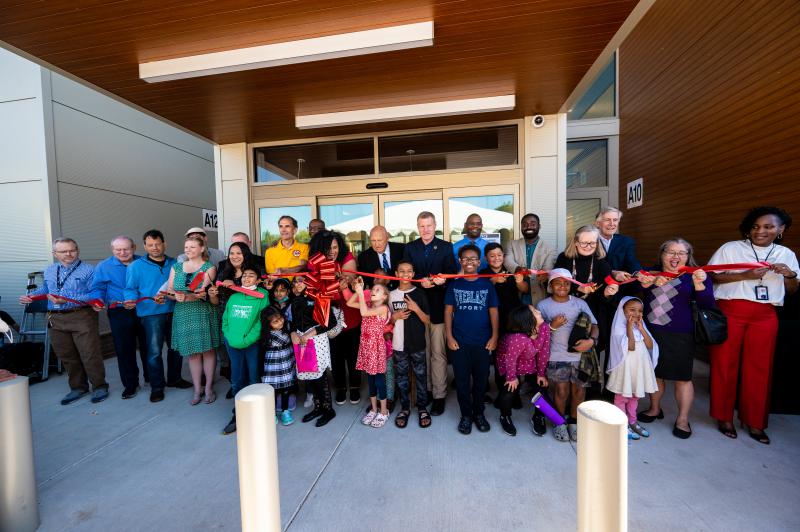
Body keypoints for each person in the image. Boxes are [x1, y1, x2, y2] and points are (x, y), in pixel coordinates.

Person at [707, 207, 799, 444]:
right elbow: (713, 277)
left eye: (768, 227)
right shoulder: (731, 248)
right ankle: (724, 416)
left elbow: (792, 290)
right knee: (725, 364)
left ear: (781, 230)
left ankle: (755, 420)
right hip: (731, 310)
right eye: (756, 226)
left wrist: (789, 276)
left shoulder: (786, 254)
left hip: (766, 313)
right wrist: (745, 275)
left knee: (759, 368)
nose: (761, 231)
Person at [636, 238, 714, 439]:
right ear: (662, 254)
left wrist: (699, 285)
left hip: (681, 334)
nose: (676, 257)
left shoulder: (694, 276)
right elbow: (635, 288)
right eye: (671, 252)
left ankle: (682, 419)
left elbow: (708, 304)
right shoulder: (650, 273)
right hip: (652, 331)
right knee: (655, 374)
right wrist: (648, 281)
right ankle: (654, 409)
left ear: (688, 257)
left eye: (681, 253)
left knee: (683, 378)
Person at [20, 238, 108, 405]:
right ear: (55, 254)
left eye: (72, 250)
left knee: (89, 354)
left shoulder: (89, 270)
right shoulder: (50, 270)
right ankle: (78, 388)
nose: (68, 254)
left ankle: (99, 386)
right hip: (56, 317)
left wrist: (66, 300)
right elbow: (47, 289)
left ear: (78, 250)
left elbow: (95, 295)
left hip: (81, 316)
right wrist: (31, 296)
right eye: (63, 251)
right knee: (67, 355)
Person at [124, 230, 191, 403]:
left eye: (158, 244)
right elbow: (130, 288)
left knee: (176, 348)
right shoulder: (136, 266)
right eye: (150, 244)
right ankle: (157, 387)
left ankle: (175, 379)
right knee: (154, 352)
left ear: (164, 244)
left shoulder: (175, 264)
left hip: (175, 310)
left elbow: (182, 284)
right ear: (144, 246)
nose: (154, 248)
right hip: (151, 314)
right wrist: (129, 299)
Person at [403, 211, 458, 416]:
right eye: (421, 226)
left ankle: (439, 395)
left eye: (429, 225)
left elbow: (451, 273)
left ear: (435, 226)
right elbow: (406, 273)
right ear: (417, 227)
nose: (425, 230)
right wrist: (419, 279)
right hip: (416, 306)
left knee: (437, 353)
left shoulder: (445, 247)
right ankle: (424, 391)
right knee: (420, 354)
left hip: (437, 306)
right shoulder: (410, 247)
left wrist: (442, 280)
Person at [536, 269, 599, 442]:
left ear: (571, 285)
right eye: (557, 282)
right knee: (561, 390)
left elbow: (594, 325)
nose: (562, 286)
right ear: (550, 286)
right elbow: (536, 333)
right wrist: (552, 326)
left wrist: (592, 341)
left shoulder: (579, 303)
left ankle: (574, 422)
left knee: (579, 390)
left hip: (581, 356)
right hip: (556, 356)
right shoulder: (543, 305)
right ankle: (559, 422)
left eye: (566, 283)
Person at [444, 244, 499, 435]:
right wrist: (449, 336)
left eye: (473, 258)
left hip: (482, 342)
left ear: (479, 261)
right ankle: (466, 415)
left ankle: (479, 414)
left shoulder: (486, 285)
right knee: (461, 381)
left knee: (481, 381)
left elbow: (493, 312)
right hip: (459, 342)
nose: (469, 262)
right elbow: (448, 311)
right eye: (465, 259)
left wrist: (494, 336)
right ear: (460, 261)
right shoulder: (455, 284)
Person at [211, 264, 270, 434]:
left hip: (251, 344)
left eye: (251, 275)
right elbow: (226, 318)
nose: (246, 278)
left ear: (258, 280)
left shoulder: (262, 296)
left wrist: (247, 339)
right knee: (237, 378)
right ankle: (239, 414)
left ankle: (256, 413)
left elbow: (261, 322)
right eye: (244, 275)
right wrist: (229, 337)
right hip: (233, 343)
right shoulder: (234, 296)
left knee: (253, 377)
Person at [90, 236, 147, 399]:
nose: (122, 252)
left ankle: (152, 379)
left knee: (148, 347)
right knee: (124, 350)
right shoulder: (104, 266)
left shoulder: (143, 262)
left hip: (144, 309)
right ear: (112, 250)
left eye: (126, 249)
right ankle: (130, 384)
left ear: (134, 247)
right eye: (118, 249)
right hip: (119, 312)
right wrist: (98, 301)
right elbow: (97, 288)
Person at [310, 230, 362, 405]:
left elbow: (349, 279)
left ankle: (355, 386)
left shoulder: (347, 258)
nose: (333, 251)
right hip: (329, 317)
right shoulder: (315, 263)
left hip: (350, 313)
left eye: (335, 247)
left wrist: (334, 284)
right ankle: (340, 386)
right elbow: (317, 289)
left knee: (353, 353)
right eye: (328, 248)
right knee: (336, 354)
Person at [167, 235, 219, 405]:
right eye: (186, 247)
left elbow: (203, 291)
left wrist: (187, 297)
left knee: (208, 351)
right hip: (183, 313)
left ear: (202, 248)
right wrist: (175, 296)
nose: (188, 250)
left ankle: (209, 387)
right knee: (192, 354)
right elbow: (170, 290)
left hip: (202, 312)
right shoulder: (177, 267)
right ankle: (198, 390)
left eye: (192, 247)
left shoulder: (209, 267)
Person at [554, 225, 619, 353]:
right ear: (576, 242)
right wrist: (579, 288)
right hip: (565, 310)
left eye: (592, 243)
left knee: (589, 354)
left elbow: (606, 293)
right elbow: (555, 281)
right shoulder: (564, 258)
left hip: (593, 313)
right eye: (584, 243)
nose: (589, 246)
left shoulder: (601, 262)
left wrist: (607, 293)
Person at [606, 297, 659, 440]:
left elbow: (650, 345)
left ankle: (632, 421)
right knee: (622, 396)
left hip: (638, 367)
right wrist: (630, 327)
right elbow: (631, 346)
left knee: (635, 396)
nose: (636, 313)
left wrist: (641, 329)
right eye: (632, 310)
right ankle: (622, 425)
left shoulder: (640, 326)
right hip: (625, 368)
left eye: (640, 311)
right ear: (622, 311)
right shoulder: (619, 328)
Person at [495, 305, 550, 436]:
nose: (539, 311)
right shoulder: (517, 338)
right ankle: (505, 416)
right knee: (509, 389)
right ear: (528, 319)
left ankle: (539, 416)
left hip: (529, 359)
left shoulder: (544, 328)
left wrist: (541, 374)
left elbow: (543, 352)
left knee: (541, 388)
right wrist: (511, 378)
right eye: (535, 311)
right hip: (509, 362)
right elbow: (510, 359)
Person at [289, 275, 337, 427]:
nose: (298, 284)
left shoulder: (318, 296)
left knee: (319, 376)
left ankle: (328, 409)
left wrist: (310, 334)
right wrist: (293, 333)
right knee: (309, 376)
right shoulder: (294, 300)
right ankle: (318, 407)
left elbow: (331, 322)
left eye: (301, 280)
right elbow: (291, 322)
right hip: (301, 341)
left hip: (316, 340)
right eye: (295, 281)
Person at [389, 260, 431, 428]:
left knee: (421, 377)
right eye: (402, 271)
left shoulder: (420, 294)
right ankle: (405, 408)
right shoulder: (391, 295)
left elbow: (427, 320)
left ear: (413, 274)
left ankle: (422, 407)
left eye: (409, 271)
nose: (405, 274)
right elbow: (386, 320)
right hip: (398, 344)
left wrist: (415, 308)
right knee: (401, 378)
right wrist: (395, 317)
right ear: (396, 274)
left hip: (417, 344)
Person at [348, 279, 392, 428]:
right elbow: (349, 303)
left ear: (385, 296)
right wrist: (357, 289)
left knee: (379, 379)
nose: (373, 291)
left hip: (376, 347)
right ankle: (374, 409)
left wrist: (361, 293)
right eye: (373, 289)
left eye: (378, 290)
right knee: (371, 380)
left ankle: (384, 411)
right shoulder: (367, 304)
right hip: (366, 346)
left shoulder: (383, 308)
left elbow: (364, 313)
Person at [503, 213, 557, 305]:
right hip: (515, 296)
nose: (529, 227)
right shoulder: (511, 244)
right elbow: (507, 260)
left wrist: (544, 274)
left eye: (533, 224)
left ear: (539, 226)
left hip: (540, 296)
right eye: (525, 224)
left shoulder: (550, 248)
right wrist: (518, 269)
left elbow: (547, 268)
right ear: (521, 227)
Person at [261, 306, 296, 428]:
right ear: (268, 324)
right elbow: (286, 339)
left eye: (280, 318)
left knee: (286, 387)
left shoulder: (286, 328)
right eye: (275, 321)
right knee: (273, 390)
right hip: (274, 364)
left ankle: (285, 411)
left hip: (286, 360)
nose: (280, 322)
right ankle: (272, 412)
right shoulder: (269, 335)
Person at [594, 207, 642, 283]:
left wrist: (639, 273)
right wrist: (612, 273)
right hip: (594, 288)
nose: (612, 224)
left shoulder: (626, 241)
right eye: (607, 220)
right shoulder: (589, 241)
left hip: (619, 290)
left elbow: (632, 263)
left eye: (615, 220)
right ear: (598, 223)